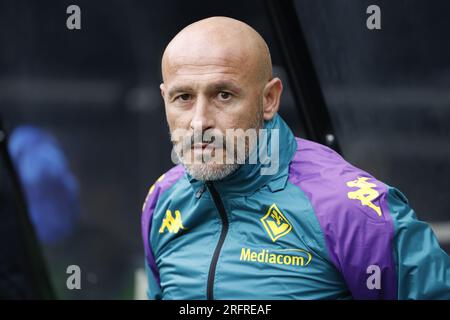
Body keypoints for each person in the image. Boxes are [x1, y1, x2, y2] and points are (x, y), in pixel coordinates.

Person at [141, 16, 450, 299]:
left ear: (269, 99)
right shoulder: (163, 199)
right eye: (183, 97)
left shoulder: (351, 210)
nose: (199, 122)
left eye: (224, 95)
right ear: (164, 98)